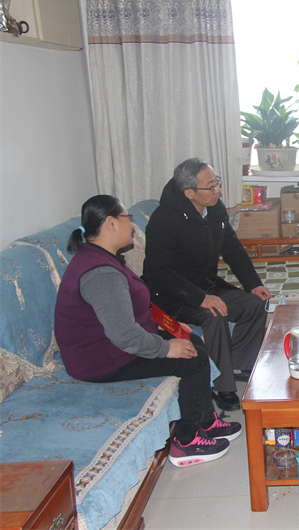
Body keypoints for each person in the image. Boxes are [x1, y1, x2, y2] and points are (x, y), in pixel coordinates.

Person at [54, 195, 241, 468]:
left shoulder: (105, 257)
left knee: (191, 341)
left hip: (114, 345)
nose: (132, 225)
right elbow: (124, 336)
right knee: (193, 358)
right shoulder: (101, 274)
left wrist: (172, 326)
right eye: (127, 218)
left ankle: (205, 422)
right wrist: (166, 348)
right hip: (101, 359)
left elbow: (138, 303)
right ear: (110, 224)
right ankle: (187, 442)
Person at [143, 158, 270, 411]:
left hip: (206, 285)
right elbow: (160, 273)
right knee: (215, 313)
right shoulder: (164, 220)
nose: (217, 191)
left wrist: (253, 284)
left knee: (255, 303)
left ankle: (238, 365)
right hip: (172, 296)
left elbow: (232, 248)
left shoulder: (213, 208)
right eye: (210, 187)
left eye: (217, 183)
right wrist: (201, 299)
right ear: (189, 193)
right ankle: (221, 386)